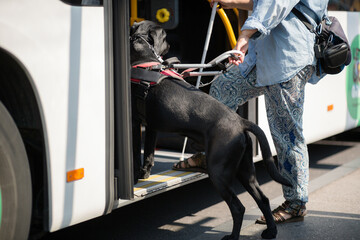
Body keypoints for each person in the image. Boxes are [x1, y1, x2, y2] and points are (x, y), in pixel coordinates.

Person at [173, 0, 329, 223]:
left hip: (287, 59)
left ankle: (296, 203)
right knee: (222, 89)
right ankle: (214, 154)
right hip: (264, 56)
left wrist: (245, 35)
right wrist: (230, 2)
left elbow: (276, 3)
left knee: (286, 132)